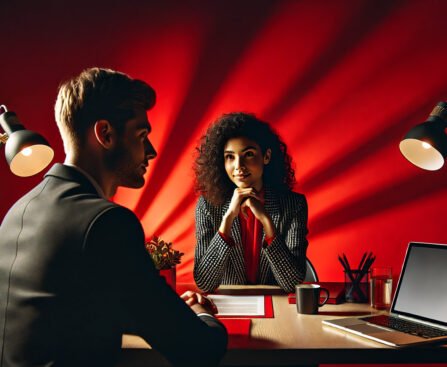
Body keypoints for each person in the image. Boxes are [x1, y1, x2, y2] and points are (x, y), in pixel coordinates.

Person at [0, 68, 227, 367]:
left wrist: (155, 311)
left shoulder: (16, 211)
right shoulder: (108, 223)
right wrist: (203, 315)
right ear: (105, 133)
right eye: (141, 135)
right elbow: (199, 350)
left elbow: (63, 313)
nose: (152, 151)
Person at [193, 112, 309, 293]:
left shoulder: (294, 205)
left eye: (248, 154)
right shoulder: (207, 206)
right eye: (230, 157)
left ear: (266, 156)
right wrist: (228, 218)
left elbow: (292, 283)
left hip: (276, 308)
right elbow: (204, 283)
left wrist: (266, 221)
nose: (239, 165)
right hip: (229, 309)